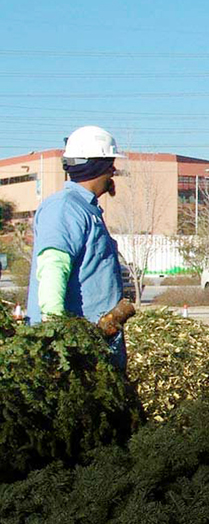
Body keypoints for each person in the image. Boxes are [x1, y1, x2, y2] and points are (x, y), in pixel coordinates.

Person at [26, 125, 130, 371]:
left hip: (96, 348)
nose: (113, 170)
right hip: (73, 356)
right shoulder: (65, 209)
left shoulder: (86, 209)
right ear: (96, 166)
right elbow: (53, 268)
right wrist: (57, 334)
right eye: (109, 163)